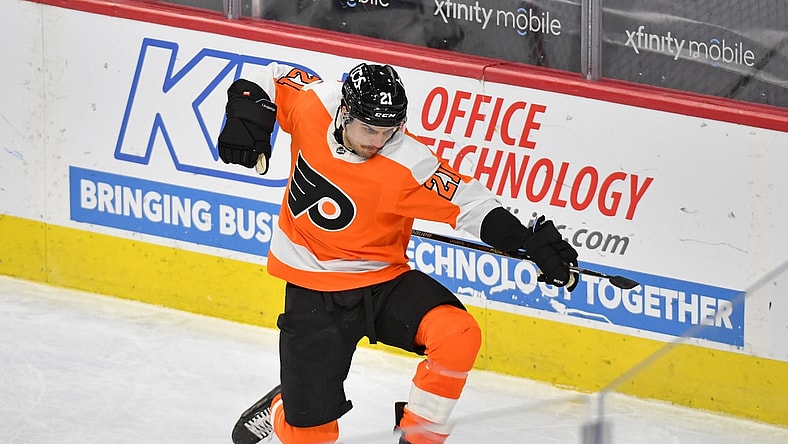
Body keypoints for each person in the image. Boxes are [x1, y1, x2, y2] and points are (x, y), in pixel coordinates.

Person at [218, 62, 578, 444]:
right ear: (345, 112)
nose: (377, 140)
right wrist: (248, 108)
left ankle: (418, 438)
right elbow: (271, 77)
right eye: (369, 129)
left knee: (458, 334)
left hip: (383, 282)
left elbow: (471, 205)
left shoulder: (408, 161)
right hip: (313, 291)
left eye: (388, 130)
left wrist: (526, 240)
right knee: (311, 437)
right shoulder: (313, 104)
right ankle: (283, 409)